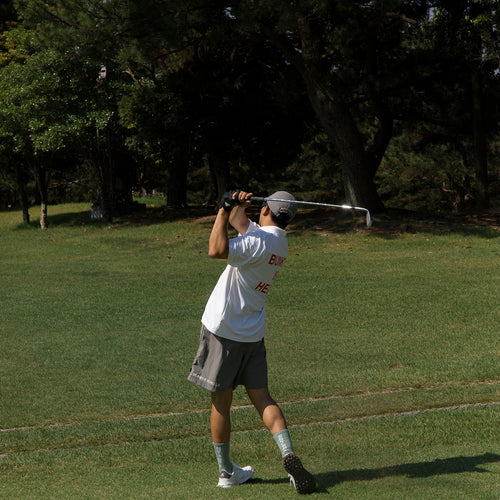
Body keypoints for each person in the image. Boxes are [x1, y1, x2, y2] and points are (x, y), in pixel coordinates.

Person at [188, 189, 316, 494]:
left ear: (268, 212)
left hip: (224, 330)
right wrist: (233, 204)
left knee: (221, 403)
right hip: (253, 333)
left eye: (262, 207)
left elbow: (216, 250)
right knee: (263, 399)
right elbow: (241, 223)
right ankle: (288, 454)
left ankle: (226, 472)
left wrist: (221, 211)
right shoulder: (278, 242)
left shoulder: (257, 242)